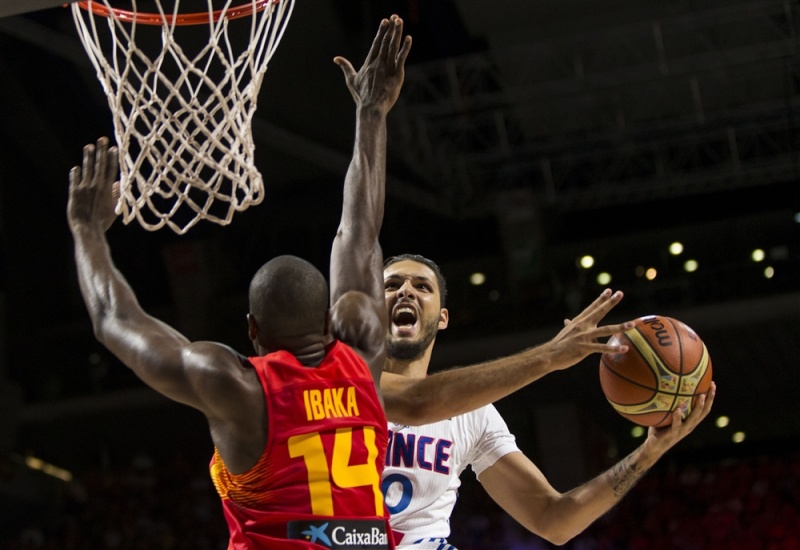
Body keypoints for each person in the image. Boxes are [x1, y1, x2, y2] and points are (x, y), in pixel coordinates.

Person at [67, 15, 411, 550]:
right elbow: (359, 232)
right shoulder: (363, 350)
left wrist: (86, 229)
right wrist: (372, 112)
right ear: (326, 323)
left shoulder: (237, 387)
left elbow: (114, 320)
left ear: (252, 331)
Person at [379, 253, 717, 549]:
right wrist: (549, 356)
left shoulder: (474, 416)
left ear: (442, 318)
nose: (406, 290)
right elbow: (418, 402)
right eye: (391, 285)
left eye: (422, 286)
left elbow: (553, 520)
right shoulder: (336, 380)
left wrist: (648, 454)